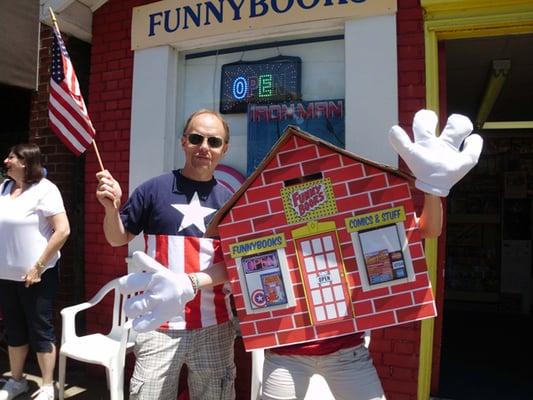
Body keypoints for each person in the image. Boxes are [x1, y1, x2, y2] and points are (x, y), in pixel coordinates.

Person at [95, 109, 236, 400]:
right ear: (184, 141)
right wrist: (111, 208)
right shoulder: (153, 190)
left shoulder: (232, 200)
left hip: (215, 327)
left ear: (224, 149)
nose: (204, 147)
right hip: (157, 326)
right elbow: (117, 237)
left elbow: (235, 262)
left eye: (214, 141)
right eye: (196, 138)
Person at [0, 143, 70, 400]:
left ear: (25, 163)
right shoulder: (4, 189)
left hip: (37, 275)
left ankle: (48, 386)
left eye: (11, 157)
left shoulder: (45, 190)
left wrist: (38, 266)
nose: (6, 161)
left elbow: (62, 231)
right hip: (5, 276)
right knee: (14, 328)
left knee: (41, 328)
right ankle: (17, 381)